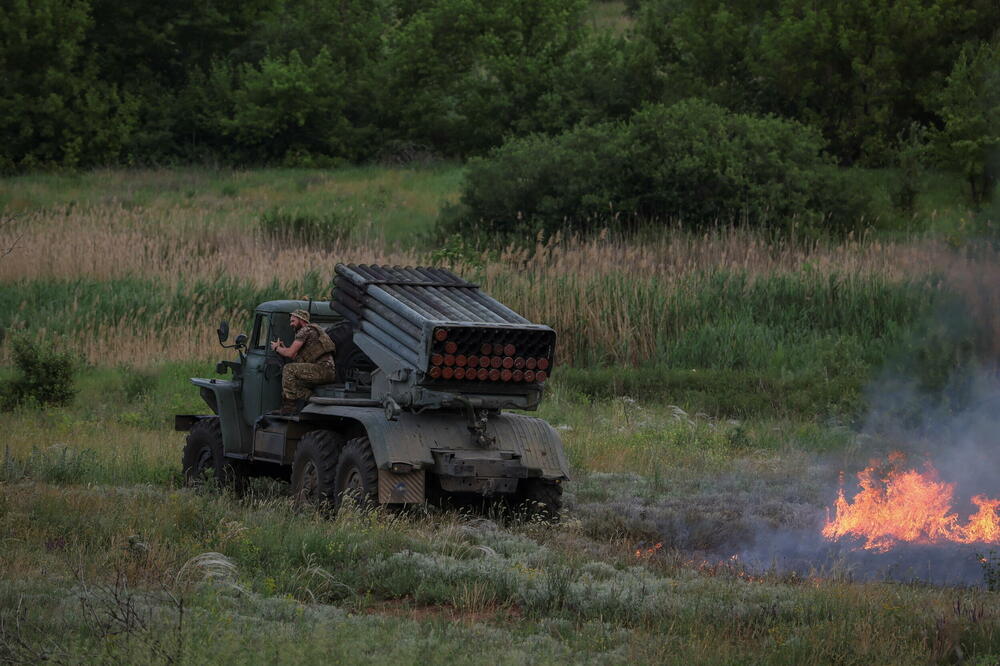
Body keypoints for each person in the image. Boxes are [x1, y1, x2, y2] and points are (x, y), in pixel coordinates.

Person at [270, 309, 336, 414]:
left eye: (293, 321)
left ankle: (289, 407)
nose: (291, 324)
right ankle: (314, 399)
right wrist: (284, 348)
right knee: (293, 383)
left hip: (322, 369)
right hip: (325, 371)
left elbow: (290, 353)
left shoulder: (305, 330)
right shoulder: (312, 331)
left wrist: (277, 348)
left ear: (301, 319)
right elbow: (295, 357)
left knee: (288, 369)